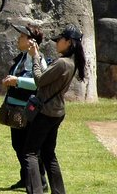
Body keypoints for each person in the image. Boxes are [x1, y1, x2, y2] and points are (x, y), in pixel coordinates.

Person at [23, 25, 87, 194]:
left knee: (30, 152)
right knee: (48, 154)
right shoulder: (71, 63)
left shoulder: (62, 63)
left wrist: (35, 57)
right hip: (57, 112)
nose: (57, 42)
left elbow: (39, 80)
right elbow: (48, 78)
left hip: (45, 112)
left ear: (68, 42)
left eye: (60, 40)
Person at [1, 24, 49, 191]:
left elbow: (39, 82)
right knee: (18, 144)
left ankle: (40, 180)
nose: (18, 39)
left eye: (21, 36)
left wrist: (17, 81)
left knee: (29, 148)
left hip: (29, 111)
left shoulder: (37, 59)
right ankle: (26, 178)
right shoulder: (22, 57)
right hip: (17, 110)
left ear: (31, 41)